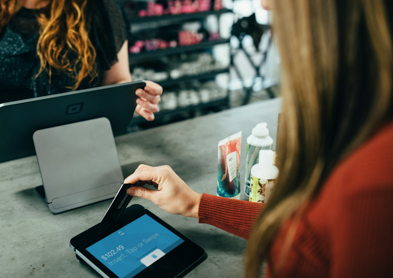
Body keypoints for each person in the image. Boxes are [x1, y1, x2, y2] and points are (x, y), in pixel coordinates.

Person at [125, 0, 393, 277]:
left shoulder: (373, 185)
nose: (264, 3)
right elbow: (306, 229)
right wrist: (195, 204)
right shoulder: (354, 129)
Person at [0, 0, 162, 170]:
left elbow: (116, 80)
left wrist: (131, 97)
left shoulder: (100, 6)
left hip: (83, 160)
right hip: (6, 166)